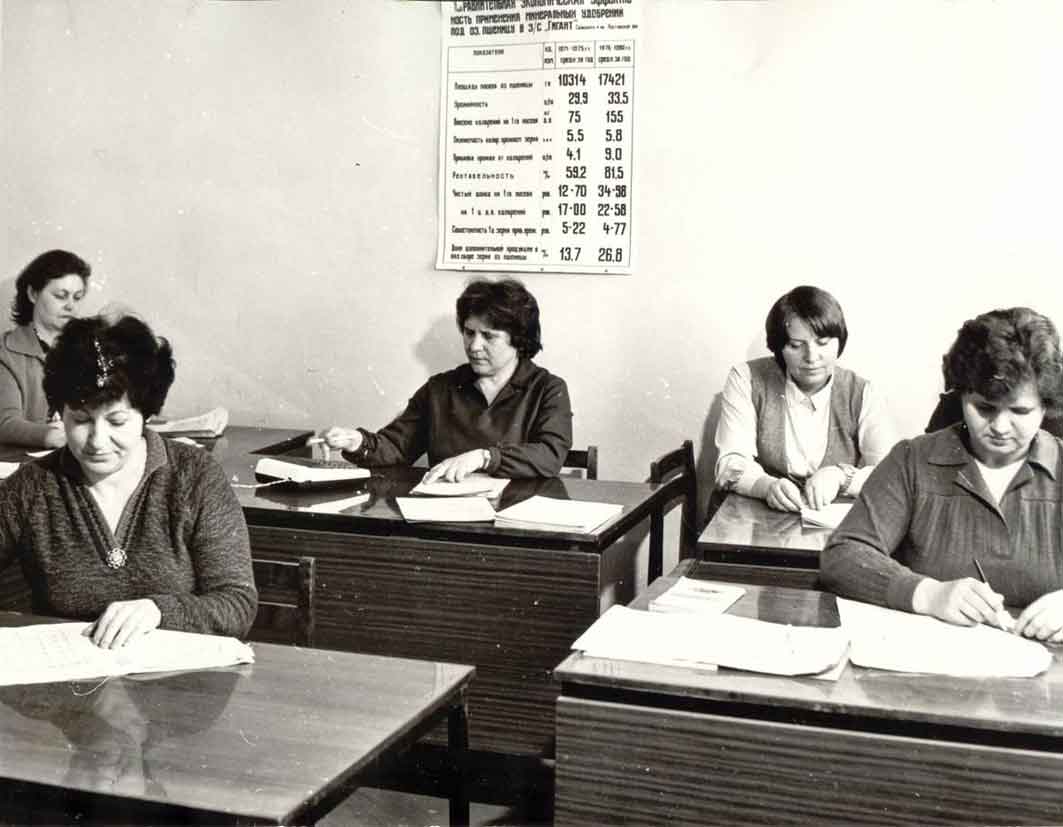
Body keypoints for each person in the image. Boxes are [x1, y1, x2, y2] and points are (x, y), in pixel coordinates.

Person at [0, 314, 257, 648]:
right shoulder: (32, 487)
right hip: (67, 672)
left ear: (146, 414)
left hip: (175, 675)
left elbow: (237, 604)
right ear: (60, 414)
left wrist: (158, 611)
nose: (97, 441)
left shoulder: (194, 476)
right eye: (81, 420)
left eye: (117, 421)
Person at [820, 307, 1063, 642]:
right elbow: (842, 555)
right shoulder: (912, 460)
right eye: (984, 408)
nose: (1000, 427)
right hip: (928, 661)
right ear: (961, 396)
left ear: (1046, 406)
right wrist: (927, 593)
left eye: (1020, 411)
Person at [319, 278, 573, 481]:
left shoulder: (548, 389)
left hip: (515, 517)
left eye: (488, 336)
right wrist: (357, 442)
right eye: (469, 333)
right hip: (444, 515)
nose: (474, 346)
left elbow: (550, 455)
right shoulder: (439, 389)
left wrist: (484, 458)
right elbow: (396, 446)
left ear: (519, 340)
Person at [713, 285, 896, 512]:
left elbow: (891, 473)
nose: (811, 357)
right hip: (757, 516)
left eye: (823, 343)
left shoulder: (863, 392)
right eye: (796, 345)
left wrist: (841, 477)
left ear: (839, 342)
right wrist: (765, 486)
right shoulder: (746, 378)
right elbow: (730, 463)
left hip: (828, 521)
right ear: (779, 348)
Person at [0, 249, 91, 447]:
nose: (70, 306)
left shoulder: (89, 348)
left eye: (77, 297)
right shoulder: (5, 353)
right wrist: (53, 436)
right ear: (33, 294)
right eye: (61, 296)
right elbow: (5, 423)